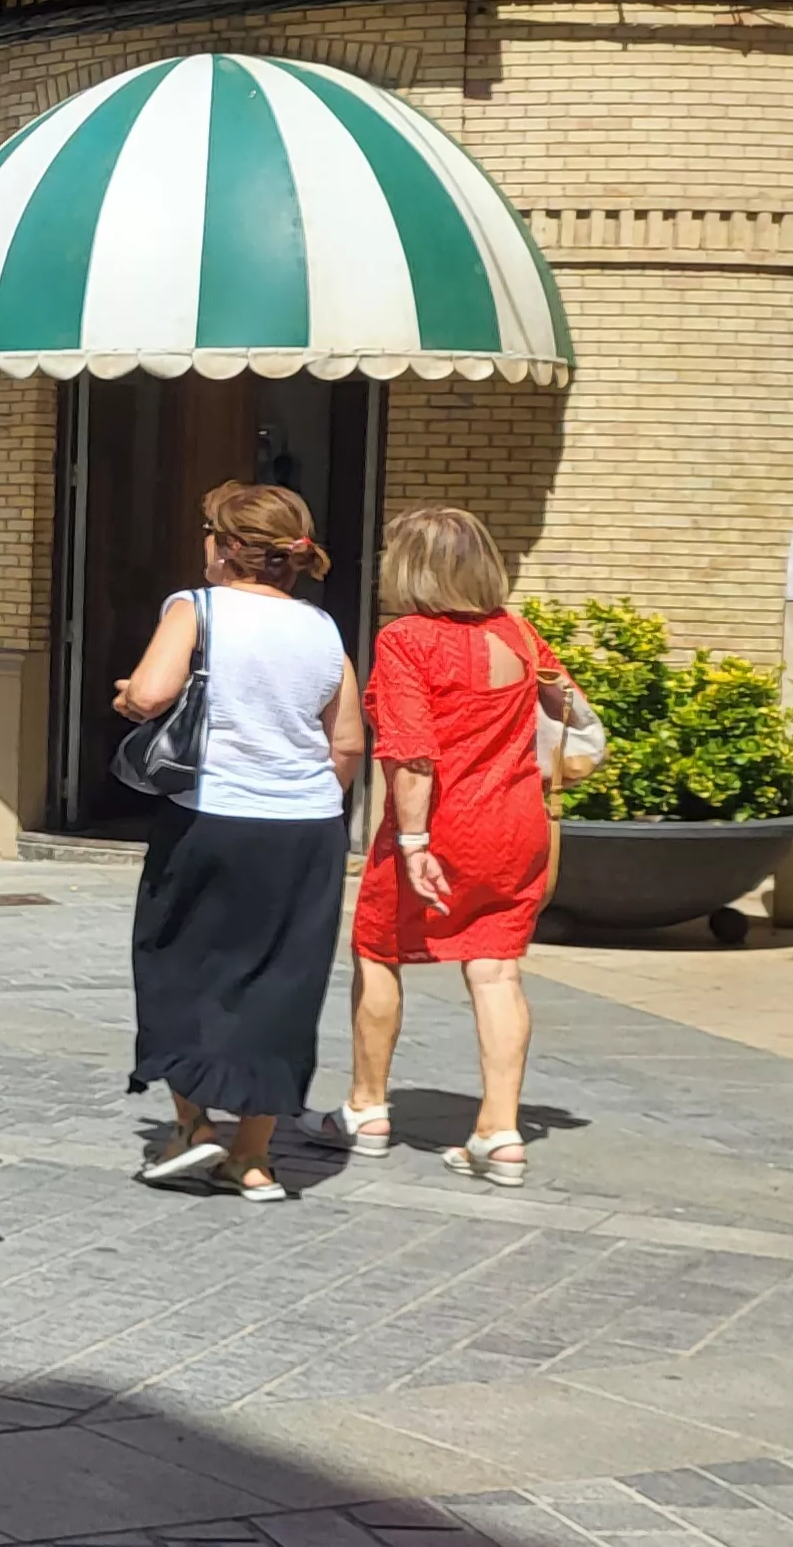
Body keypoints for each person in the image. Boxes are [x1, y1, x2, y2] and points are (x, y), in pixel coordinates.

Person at [117, 482, 364, 1204]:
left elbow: (154, 695)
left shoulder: (197, 607)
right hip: (307, 827)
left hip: (213, 815)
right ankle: (254, 1158)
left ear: (227, 550)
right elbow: (345, 740)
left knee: (176, 963)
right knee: (281, 983)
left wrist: (130, 695)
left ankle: (193, 1127)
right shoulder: (323, 628)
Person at [312, 505, 549, 1187]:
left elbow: (413, 752)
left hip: (443, 825)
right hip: (516, 822)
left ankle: (367, 1107)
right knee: (496, 969)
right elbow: (568, 706)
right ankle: (500, 1133)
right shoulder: (521, 634)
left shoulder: (408, 639)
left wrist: (412, 839)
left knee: (378, 950)